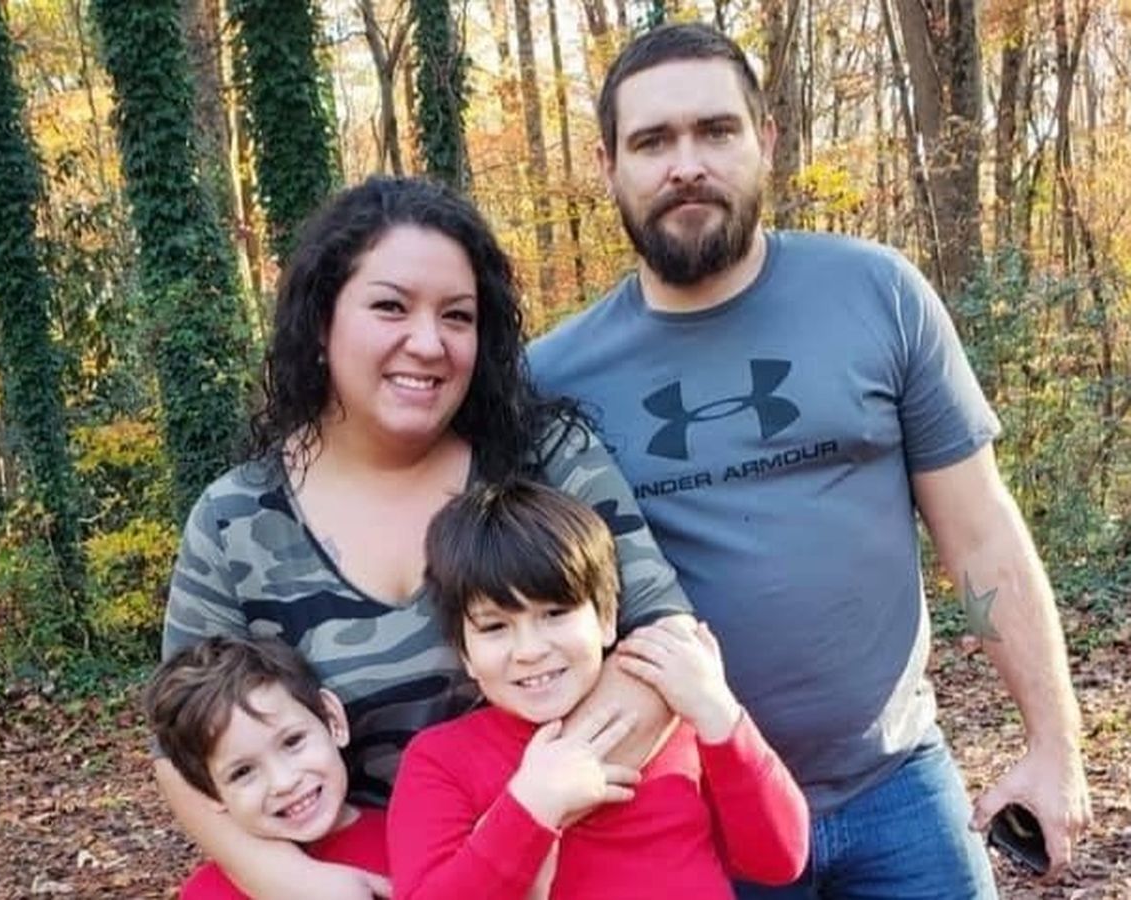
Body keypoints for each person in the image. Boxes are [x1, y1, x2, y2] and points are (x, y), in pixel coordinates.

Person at [529, 22, 1091, 900]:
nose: (686, 165)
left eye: (716, 130)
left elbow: (981, 533)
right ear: (607, 166)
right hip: (695, 807)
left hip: (898, 787)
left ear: (766, 141)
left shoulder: (878, 295)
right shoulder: (554, 379)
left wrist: (1054, 747)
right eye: (652, 141)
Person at [161, 176, 692, 899]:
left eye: (457, 316)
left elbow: (667, 637)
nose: (428, 342)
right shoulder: (235, 522)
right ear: (320, 323)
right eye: (390, 306)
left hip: (575, 863)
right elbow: (179, 740)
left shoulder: (546, 458)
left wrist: (512, 838)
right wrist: (291, 881)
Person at [388, 479, 808, 898]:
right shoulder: (440, 760)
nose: (530, 650)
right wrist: (530, 806)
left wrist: (719, 714)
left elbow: (778, 860)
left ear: (607, 619)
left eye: (555, 613)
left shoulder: (673, 710)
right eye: (495, 627)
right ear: (464, 652)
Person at [144, 636, 388, 899]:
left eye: (293, 741)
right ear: (209, 792)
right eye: (242, 772)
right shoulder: (208, 893)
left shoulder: (405, 840)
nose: (283, 782)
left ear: (332, 721)